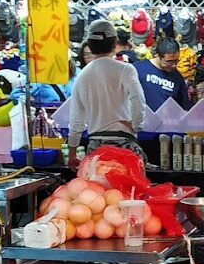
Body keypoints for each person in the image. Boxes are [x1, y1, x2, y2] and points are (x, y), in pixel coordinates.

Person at [67, 20, 147, 166]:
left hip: (96, 148)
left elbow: (76, 121)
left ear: (90, 46)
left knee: (99, 188)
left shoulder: (82, 76)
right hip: (124, 142)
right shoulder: (125, 69)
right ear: (114, 44)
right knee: (130, 188)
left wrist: (72, 154)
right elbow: (138, 99)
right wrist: (136, 125)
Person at [132, 38, 191, 111]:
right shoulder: (138, 69)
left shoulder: (177, 77)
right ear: (158, 56)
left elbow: (183, 107)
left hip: (166, 121)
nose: (174, 65)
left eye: (176, 61)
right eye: (169, 62)